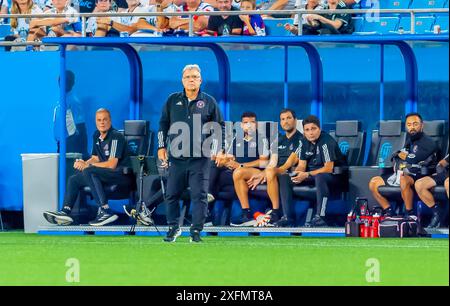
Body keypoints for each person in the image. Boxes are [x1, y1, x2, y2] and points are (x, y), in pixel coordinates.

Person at [157, 64, 225, 243]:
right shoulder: (172, 100)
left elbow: (220, 128)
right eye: (188, 77)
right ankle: (173, 227)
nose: (191, 80)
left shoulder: (209, 101)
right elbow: (163, 124)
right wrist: (161, 147)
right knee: (171, 194)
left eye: (195, 77)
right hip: (176, 158)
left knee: (199, 196)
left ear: (200, 80)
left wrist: (218, 148)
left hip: (200, 158)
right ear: (182, 80)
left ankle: (196, 231)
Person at [43, 108, 135, 227]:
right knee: (74, 179)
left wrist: (87, 165)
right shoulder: (97, 135)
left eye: (105, 120)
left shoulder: (116, 136)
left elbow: (112, 164)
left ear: (110, 121)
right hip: (105, 174)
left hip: (121, 176)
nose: (102, 122)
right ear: (96, 122)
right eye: (99, 120)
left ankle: (105, 211)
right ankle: (65, 212)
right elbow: (95, 158)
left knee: (89, 170)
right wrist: (84, 162)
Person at [232, 108, 302, 226]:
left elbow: (288, 165)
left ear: (295, 120)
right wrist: (262, 173)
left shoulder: (302, 139)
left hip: (288, 173)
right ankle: (246, 213)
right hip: (274, 170)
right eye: (283, 119)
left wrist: (267, 172)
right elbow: (273, 161)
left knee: (270, 172)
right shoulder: (278, 139)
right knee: (238, 172)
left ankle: (275, 212)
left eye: (289, 118)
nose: (286, 121)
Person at [278, 115, 348, 227]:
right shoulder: (303, 142)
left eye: (313, 129)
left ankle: (321, 217)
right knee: (284, 177)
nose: (311, 132)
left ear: (319, 129)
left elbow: (328, 168)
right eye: (307, 130)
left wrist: (306, 174)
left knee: (320, 176)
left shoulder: (326, 141)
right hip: (311, 175)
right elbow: (302, 165)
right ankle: (288, 217)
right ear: (304, 132)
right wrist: (297, 173)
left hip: (333, 177)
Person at [369, 113, 439, 218]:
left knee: (403, 180)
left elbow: (414, 158)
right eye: (409, 125)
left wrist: (400, 155)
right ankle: (389, 212)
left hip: (421, 175)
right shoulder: (410, 140)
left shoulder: (429, 142)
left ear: (422, 125)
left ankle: (409, 213)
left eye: (415, 124)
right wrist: (400, 155)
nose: (412, 127)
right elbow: (396, 156)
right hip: (405, 172)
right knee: (373, 183)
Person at [208, 111, 270, 225]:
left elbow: (264, 161)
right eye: (246, 123)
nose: (249, 125)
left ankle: (245, 213)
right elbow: (231, 158)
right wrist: (224, 161)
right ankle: (208, 207)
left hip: (253, 172)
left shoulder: (262, 139)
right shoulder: (236, 139)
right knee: (215, 166)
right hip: (235, 172)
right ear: (241, 125)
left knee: (236, 172)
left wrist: (241, 165)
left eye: (252, 122)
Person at [53, 70, 89, 160]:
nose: (63, 83)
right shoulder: (60, 100)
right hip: (61, 143)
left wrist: (84, 152)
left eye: (67, 80)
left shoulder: (73, 102)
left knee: (70, 171)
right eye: (61, 80)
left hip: (71, 144)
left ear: (72, 83)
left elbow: (81, 126)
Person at [414, 153, 449, 228]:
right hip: (446, 175)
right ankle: (437, 214)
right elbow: (441, 164)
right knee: (419, 184)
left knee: (448, 183)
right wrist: (442, 172)